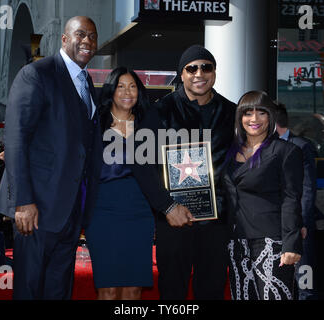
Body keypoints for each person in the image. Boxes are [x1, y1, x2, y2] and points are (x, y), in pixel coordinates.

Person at [0, 16, 103, 299]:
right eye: (81, 34)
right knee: (30, 291)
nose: (88, 41)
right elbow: (16, 140)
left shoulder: (86, 82)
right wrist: (23, 202)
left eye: (93, 36)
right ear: (65, 39)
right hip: (36, 210)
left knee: (57, 291)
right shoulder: (37, 74)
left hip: (69, 213)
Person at [85, 67, 192, 300]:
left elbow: (168, 162)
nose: (127, 92)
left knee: (133, 289)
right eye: (121, 86)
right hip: (102, 211)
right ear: (112, 91)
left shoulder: (150, 121)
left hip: (140, 210)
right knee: (109, 289)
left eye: (132, 86)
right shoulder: (95, 123)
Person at [150, 45, 236, 299]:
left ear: (215, 72)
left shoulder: (232, 113)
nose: (200, 73)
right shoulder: (160, 111)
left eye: (206, 67)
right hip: (173, 219)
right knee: (172, 292)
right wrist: (167, 207)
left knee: (212, 289)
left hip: (217, 223)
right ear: (182, 74)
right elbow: (145, 168)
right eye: (192, 68)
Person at [223, 91, 303, 300]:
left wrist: (291, 244)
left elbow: (291, 199)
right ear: (240, 118)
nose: (254, 119)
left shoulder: (286, 151)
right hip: (236, 242)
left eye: (262, 113)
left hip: (272, 243)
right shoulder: (229, 152)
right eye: (247, 113)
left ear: (271, 117)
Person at [274, 102, 318, 300]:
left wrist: (302, 221)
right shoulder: (263, 148)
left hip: (300, 225)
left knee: (303, 278)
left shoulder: (301, 146)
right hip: (276, 224)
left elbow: (308, 189)